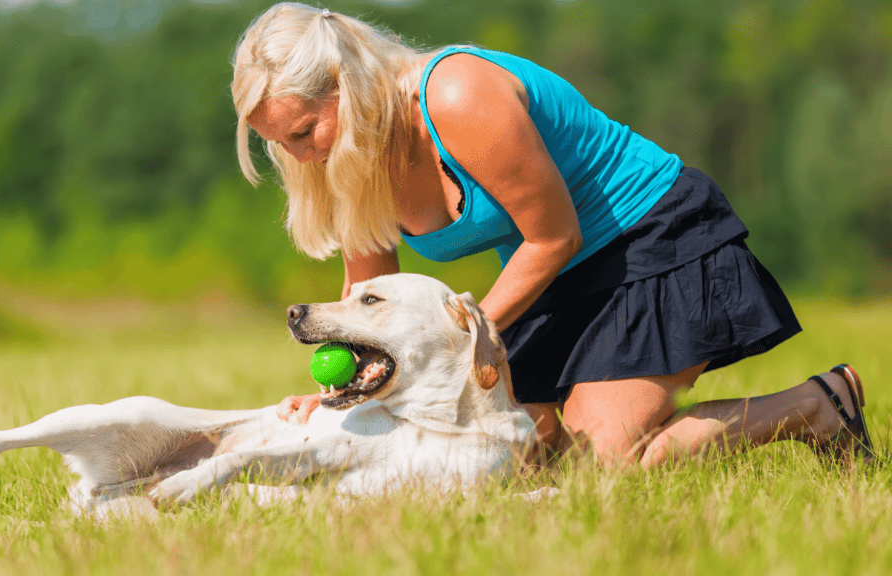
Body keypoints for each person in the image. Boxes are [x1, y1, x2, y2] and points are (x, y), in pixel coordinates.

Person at [229, 2, 873, 468]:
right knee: (516, 452)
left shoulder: (455, 95)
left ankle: (818, 405)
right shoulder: (344, 158)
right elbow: (368, 294)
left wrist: (462, 338)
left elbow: (553, 236)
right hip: (558, 278)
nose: (298, 156)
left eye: (304, 132)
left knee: (612, 464)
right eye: (276, 143)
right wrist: (341, 394)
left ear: (349, 87)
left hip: (648, 240)